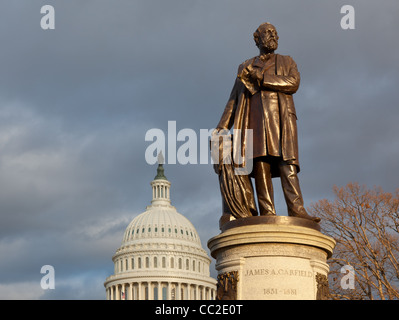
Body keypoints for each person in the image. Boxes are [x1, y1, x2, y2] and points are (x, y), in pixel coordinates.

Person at [215, 22, 320, 222]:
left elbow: (292, 83)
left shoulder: (287, 61)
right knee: (260, 165)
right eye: (268, 33)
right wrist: (221, 128)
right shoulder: (245, 66)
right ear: (257, 39)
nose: (274, 37)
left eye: (275, 33)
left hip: (281, 120)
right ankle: (267, 213)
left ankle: (297, 210)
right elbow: (234, 99)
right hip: (253, 121)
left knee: (287, 164)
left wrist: (262, 78)